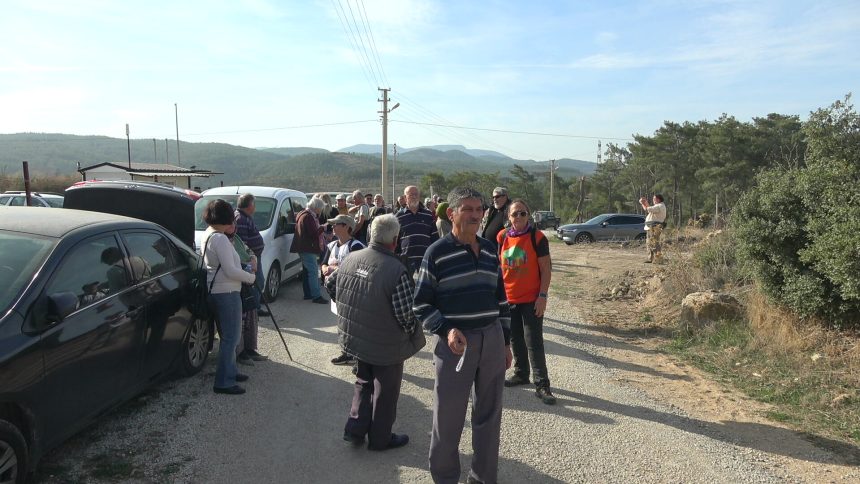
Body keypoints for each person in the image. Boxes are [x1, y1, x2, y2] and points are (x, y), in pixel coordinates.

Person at [413, 187, 512, 484]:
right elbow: (421, 303)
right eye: (467, 209)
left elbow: (501, 299)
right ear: (452, 213)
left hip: (492, 338)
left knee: (489, 416)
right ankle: (445, 478)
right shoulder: (436, 252)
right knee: (448, 418)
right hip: (456, 344)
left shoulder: (490, 249)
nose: (475, 215)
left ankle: (483, 477)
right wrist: (446, 329)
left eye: (479, 209)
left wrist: (506, 343)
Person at [328, 214, 426, 451]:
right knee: (385, 390)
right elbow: (405, 315)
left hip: (358, 337)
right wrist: (412, 332)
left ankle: (355, 430)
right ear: (395, 239)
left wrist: (352, 309)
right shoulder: (396, 270)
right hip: (386, 343)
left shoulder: (351, 258)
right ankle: (380, 438)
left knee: (363, 381)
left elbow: (330, 284)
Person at [496, 199, 556, 405]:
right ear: (508, 217)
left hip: (532, 299)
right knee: (515, 338)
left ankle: (542, 385)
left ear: (528, 215)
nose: (519, 217)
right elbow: (499, 268)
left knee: (534, 341)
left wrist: (543, 296)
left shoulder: (537, 237)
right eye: (515, 214)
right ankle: (521, 373)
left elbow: (546, 269)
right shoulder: (502, 236)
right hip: (508, 299)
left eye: (523, 213)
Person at [202, 199, 257, 395]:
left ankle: (230, 371)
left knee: (228, 336)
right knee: (231, 338)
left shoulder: (210, 234)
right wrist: (250, 277)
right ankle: (224, 381)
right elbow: (231, 270)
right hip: (227, 292)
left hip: (216, 290)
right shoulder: (220, 239)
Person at [322, 214, 366, 366]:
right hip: (336, 291)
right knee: (343, 323)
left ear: (347, 227)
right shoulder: (332, 245)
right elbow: (323, 262)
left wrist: (333, 269)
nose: (333, 227)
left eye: (336, 224)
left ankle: (354, 354)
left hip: (351, 293)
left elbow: (357, 269)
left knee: (352, 324)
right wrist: (325, 268)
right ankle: (347, 352)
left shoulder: (356, 246)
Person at [225, 217, 266, 365]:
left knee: (251, 315)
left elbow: (249, 250)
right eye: (230, 223)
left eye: (234, 223)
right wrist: (247, 267)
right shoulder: (223, 240)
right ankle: (240, 352)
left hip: (248, 281)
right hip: (238, 283)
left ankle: (250, 348)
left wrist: (253, 258)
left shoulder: (236, 238)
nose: (233, 226)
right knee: (240, 320)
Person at [234, 194, 267, 316]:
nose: (255, 207)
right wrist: (250, 260)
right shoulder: (241, 219)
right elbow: (242, 244)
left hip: (254, 257)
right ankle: (252, 309)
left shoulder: (244, 217)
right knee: (257, 282)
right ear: (249, 206)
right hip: (250, 259)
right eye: (254, 204)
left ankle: (254, 308)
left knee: (258, 282)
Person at [290, 197, 327, 304]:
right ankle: (316, 296)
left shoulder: (303, 214)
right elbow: (313, 234)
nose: (321, 210)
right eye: (320, 208)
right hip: (307, 248)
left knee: (307, 271)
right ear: (316, 207)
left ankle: (308, 294)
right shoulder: (308, 217)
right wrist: (323, 228)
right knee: (313, 271)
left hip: (303, 247)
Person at [396, 185, 438, 276]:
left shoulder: (428, 215)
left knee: (426, 284)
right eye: (411, 194)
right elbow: (395, 240)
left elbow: (435, 237)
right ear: (405, 198)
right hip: (406, 260)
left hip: (426, 259)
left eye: (416, 194)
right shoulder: (398, 217)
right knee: (407, 284)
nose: (414, 197)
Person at [479, 186, 512, 251]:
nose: (494, 199)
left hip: (503, 250)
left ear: (505, 197)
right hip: (486, 249)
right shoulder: (490, 211)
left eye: (497, 197)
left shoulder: (512, 210)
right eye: (493, 197)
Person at [640, 194, 667, 263]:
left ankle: (657, 259)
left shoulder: (660, 206)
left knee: (654, 243)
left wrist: (644, 203)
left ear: (659, 199)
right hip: (652, 227)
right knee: (650, 242)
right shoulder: (658, 206)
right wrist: (644, 203)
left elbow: (648, 209)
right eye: (653, 199)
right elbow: (648, 209)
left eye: (655, 199)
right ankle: (651, 258)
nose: (653, 200)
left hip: (654, 227)